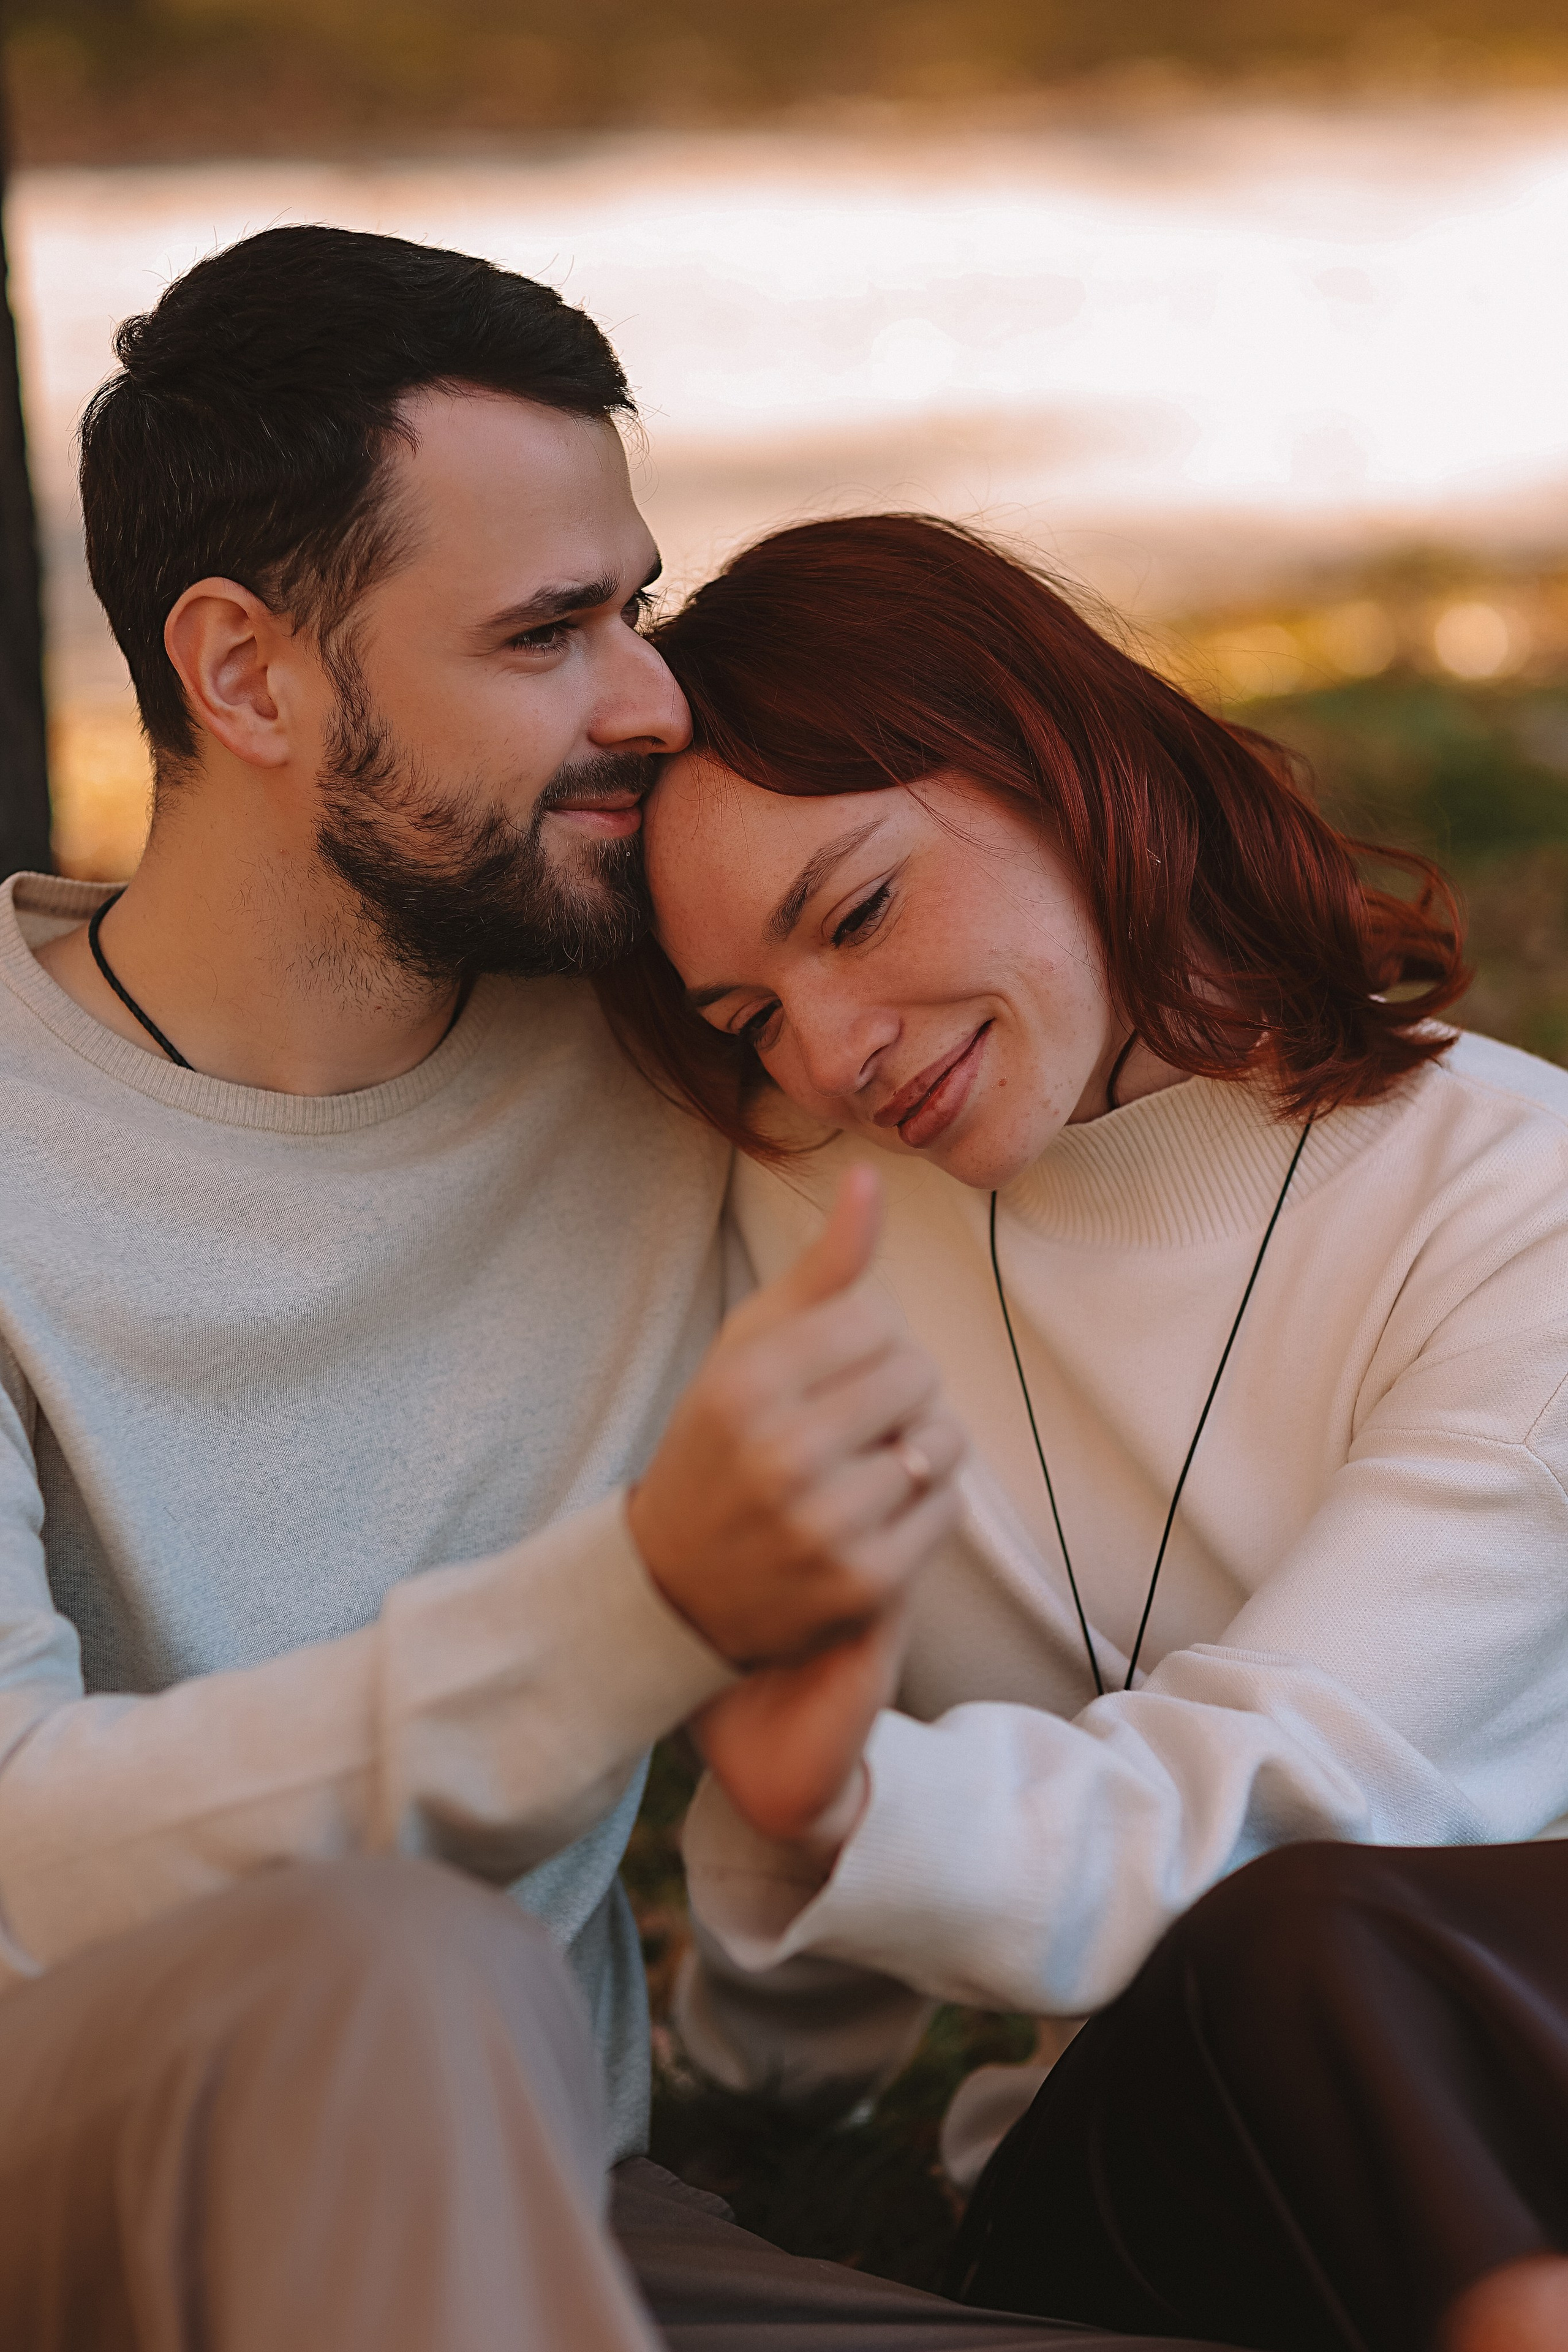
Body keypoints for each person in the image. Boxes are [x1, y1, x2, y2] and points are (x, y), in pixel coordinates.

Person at [0, 232, 1182, 2352]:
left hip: (522, 2208)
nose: (651, 698)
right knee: (392, 1957)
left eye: (634, 605)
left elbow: (1167, 1090)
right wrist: (644, 1601)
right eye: (549, 632)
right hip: (65, 2186)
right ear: (247, 675)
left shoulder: (698, 1041)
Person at [603, 513, 1568, 2352]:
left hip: (1513, 2062)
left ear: (1067, 763)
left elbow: (1288, 1800)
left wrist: (847, 1806)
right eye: (749, 1013)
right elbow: (807, 1703)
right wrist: (751, 2082)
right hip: (1166, 2179)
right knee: (1279, 1960)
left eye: (860, 912)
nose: (830, 1054)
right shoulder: (813, 1203)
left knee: (1303, 1928)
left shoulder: (1522, 1216)